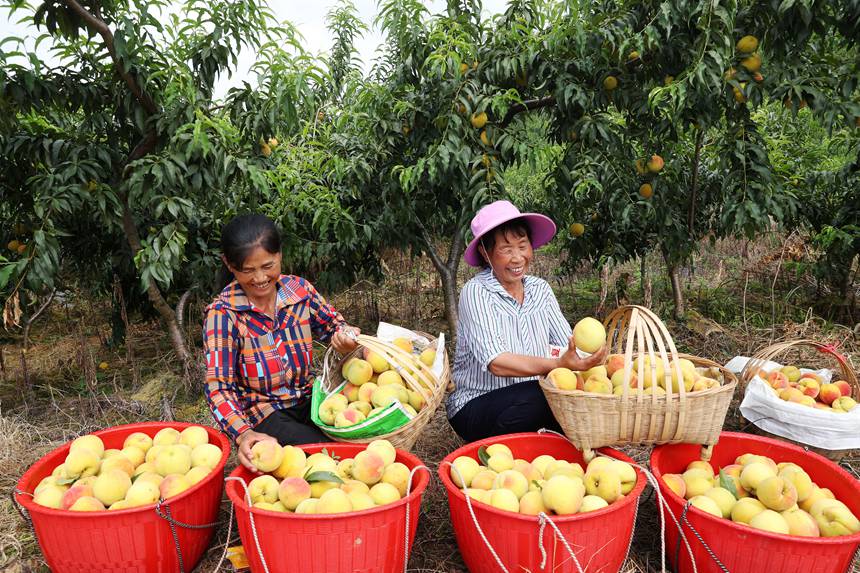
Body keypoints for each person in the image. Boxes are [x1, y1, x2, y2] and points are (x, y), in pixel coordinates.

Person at [203, 214, 360, 471]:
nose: (259, 278)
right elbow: (219, 387)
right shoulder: (224, 314)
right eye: (247, 270)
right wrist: (243, 433)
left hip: (309, 400)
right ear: (230, 265)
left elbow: (333, 326)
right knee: (327, 458)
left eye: (267, 266)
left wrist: (344, 335)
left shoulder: (299, 292)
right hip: (264, 411)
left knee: (353, 442)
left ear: (280, 256)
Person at [446, 200, 608, 442]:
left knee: (568, 398)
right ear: (485, 252)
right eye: (506, 249)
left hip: (531, 399)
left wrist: (588, 360)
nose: (517, 258)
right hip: (477, 405)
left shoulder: (540, 290)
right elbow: (497, 363)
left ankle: (540, 442)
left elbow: (568, 344)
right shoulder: (476, 292)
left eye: (523, 246)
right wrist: (556, 364)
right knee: (542, 396)